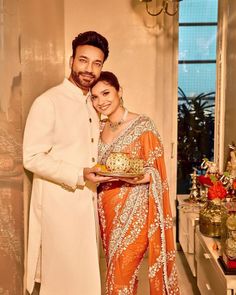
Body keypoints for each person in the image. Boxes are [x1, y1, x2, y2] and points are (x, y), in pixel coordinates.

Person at [23, 31, 112, 295]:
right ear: (71, 60)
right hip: (58, 207)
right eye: (83, 60)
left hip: (87, 203)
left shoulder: (91, 103)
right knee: (62, 280)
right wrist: (78, 174)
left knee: (85, 279)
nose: (89, 69)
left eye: (97, 63)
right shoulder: (48, 102)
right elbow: (31, 157)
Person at [90, 71, 180, 295]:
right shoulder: (97, 129)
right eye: (95, 97)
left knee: (122, 274)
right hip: (107, 209)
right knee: (115, 272)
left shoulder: (143, 125)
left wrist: (131, 174)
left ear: (119, 91)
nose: (101, 101)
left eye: (106, 93)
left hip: (135, 212)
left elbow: (156, 171)